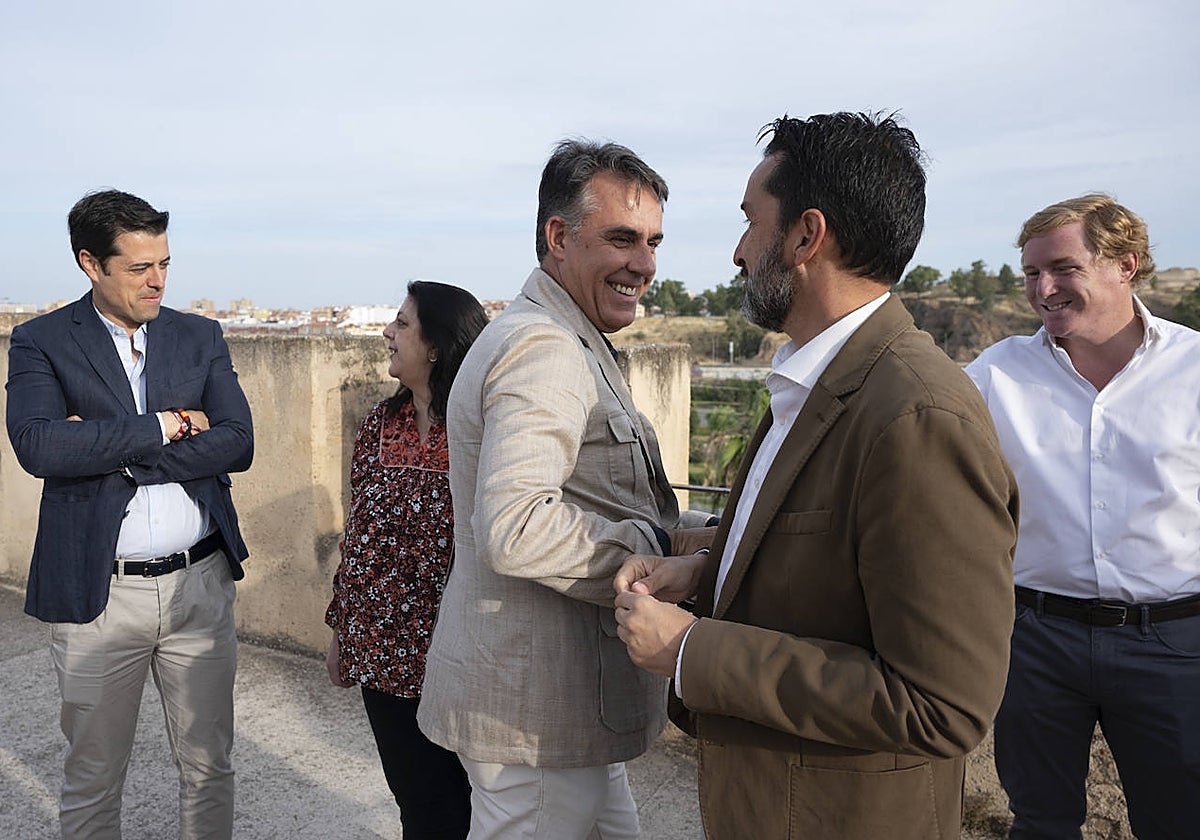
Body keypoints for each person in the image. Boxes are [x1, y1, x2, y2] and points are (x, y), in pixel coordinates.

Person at [613, 112, 1019, 840]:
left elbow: (941, 703)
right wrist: (706, 572)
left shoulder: (916, 416)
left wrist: (691, 650)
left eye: (750, 222)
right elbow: (830, 565)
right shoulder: (815, 384)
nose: (738, 252)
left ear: (806, 236)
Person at [417, 139, 714, 839]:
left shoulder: (569, 334)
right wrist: (655, 551)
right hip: (535, 707)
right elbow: (517, 526)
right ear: (558, 237)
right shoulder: (545, 346)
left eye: (653, 242)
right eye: (622, 239)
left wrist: (696, 535)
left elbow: (604, 498)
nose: (645, 264)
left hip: (562, 702)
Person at [5, 189, 253, 839]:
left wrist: (102, 446)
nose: (158, 281)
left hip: (200, 585)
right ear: (90, 263)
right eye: (139, 267)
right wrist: (169, 425)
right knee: (93, 775)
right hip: (99, 593)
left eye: (164, 263)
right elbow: (39, 447)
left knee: (209, 767)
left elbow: (238, 441)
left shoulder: (199, 335)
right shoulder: (40, 341)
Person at [966, 194, 1200, 839]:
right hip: (1036, 639)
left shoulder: (1195, 368)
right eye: (1031, 273)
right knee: (1039, 823)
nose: (1043, 289)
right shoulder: (995, 374)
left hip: (1175, 644)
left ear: (1126, 264)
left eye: (1063, 268)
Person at [324, 280, 487, 839]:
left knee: (478, 805)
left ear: (436, 345)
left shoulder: (479, 428)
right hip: (381, 652)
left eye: (401, 322)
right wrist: (342, 631)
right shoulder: (380, 423)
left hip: (458, 653)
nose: (386, 333)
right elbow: (359, 535)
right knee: (418, 803)